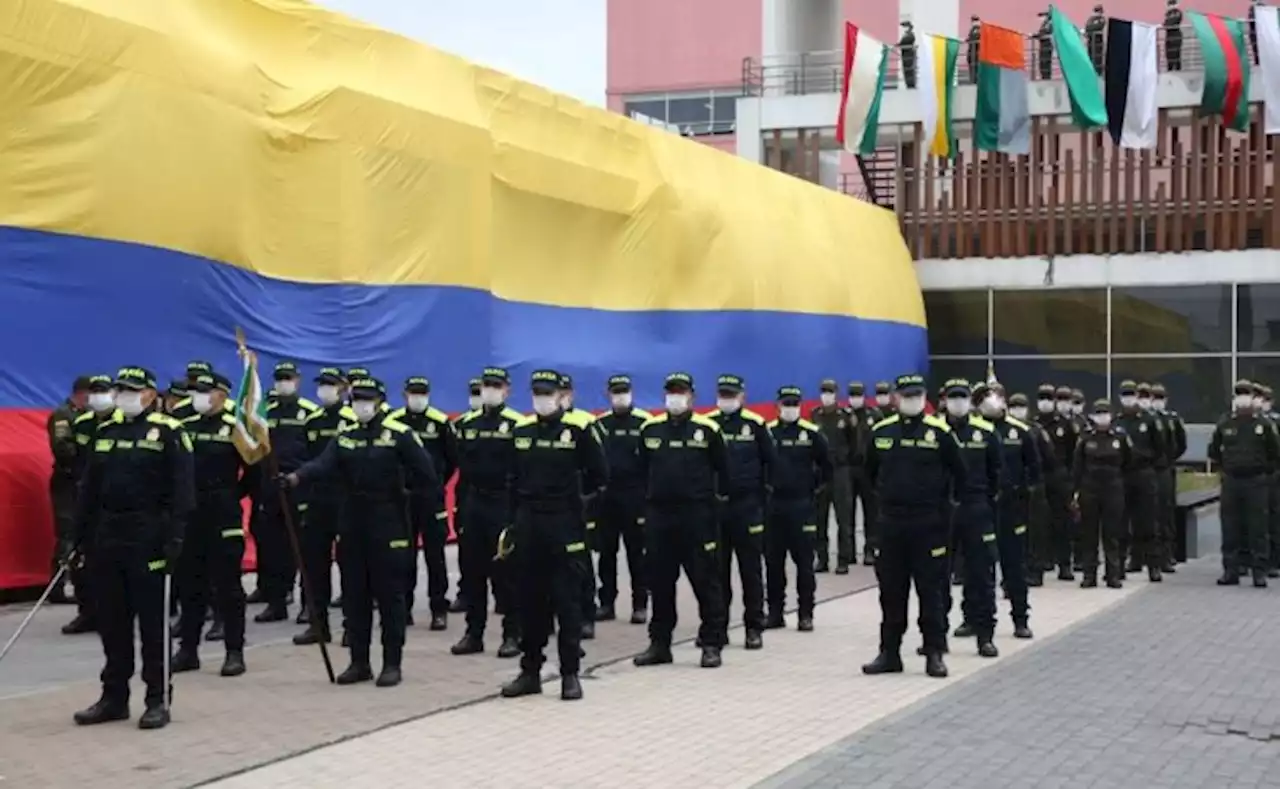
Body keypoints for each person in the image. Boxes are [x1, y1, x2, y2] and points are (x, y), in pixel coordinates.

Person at [282, 376, 438, 686]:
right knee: (355, 596)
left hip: (388, 522)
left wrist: (406, 497)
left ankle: (392, 662)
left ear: (379, 403)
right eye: (356, 401)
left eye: (366, 401)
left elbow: (428, 475)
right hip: (353, 522)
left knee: (390, 596)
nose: (360, 406)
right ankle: (359, 661)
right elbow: (323, 464)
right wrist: (295, 478)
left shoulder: (399, 435)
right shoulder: (346, 436)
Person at [72, 366, 194, 730]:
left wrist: (175, 537)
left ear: (149, 393)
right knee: (113, 622)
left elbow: (182, 491)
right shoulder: (105, 431)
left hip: (149, 535)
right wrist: (75, 537)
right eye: (120, 389)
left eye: (132, 390)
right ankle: (113, 697)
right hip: (108, 536)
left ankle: (157, 698)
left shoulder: (170, 432)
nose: (124, 395)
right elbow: (88, 492)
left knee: (153, 624)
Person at [499, 370, 608, 701]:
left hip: (565, 526)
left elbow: (600, 477)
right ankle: (530, 671)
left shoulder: (578, 432)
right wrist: (514, 523)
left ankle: (570, 674)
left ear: (562, 396)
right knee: (530, 603)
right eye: (537, 394)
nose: (542, 399)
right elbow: (511, 480)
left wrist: (578, 509)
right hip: (530, 525)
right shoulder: (521, 433)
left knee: (567, 603)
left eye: (548, 393)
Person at [862, 374, 966, 679]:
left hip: (928, 524)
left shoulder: (940, 433)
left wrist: (945, 513)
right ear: (896, 397)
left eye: (917, 395)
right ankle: (889, 653)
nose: (912, 401)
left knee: (930, 592)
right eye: (907, 395)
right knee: (891, 592)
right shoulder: (881, 432)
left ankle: (934, 653)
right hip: (892, 524)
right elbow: (868, 475)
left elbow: (960, 474)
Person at [633, 373, 729, 669]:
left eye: (681, 392)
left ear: (691, 396)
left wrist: (715, 513)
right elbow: (641, 473)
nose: (675, 397)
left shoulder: (708, 430)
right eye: (671, 392)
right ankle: (660, 644)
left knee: (706, 582)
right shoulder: (650, 430)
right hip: (660, 517)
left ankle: (712, 642)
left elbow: (723, 474)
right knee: (660, 584)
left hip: (696, 516)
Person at [172, 373, 252, 678]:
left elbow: (254, 470)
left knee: (228, 586)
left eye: (206, 392)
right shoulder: (185, 426)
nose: (200, 396)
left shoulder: (236, 428)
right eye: (197, 391)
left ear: (222, 395)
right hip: (192, 514)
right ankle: (188, 650)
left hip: (223, 513)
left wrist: (232, 494)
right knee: (190, 585)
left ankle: (234, 651)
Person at [451, 368, 523, 659]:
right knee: (472, 573)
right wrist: (459, 510)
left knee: (507, 574)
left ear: (507, 390)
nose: (490, 391)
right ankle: (473, 633)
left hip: (503, 505)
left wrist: (517, 515)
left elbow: (523, 472)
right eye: (486, 386)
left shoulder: (518, 424)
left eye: (496, 386)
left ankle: (512, 634)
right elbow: (459, 471)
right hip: (474, 504)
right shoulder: (466, 424)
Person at [708, 374, 774, 649]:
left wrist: (762, 502)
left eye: (731, 395)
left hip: (747, 507)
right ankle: (718, 628)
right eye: (723, 394)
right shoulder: (709, 424)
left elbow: (771, 464)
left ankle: (754, 627)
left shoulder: (756, 425)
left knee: (750, 571)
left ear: (742, 396)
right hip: (717, 509)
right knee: (716, 573)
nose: (726, 400)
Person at [251, 362, 319, 623]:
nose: (283, 383)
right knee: (272, 547)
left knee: (304, 550)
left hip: (299, 486)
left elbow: (315, 453)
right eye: (279, 378)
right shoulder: (266, 412)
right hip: (271, 486)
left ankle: (307, 604)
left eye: (288, 378)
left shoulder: (309, 413)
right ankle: (276, 601)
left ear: (298, 381)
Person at [290, 367, 353, 645]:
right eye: (322, 385)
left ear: (342, 388)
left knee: (351, 566)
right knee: (315, 566)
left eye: (331, 385)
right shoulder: (312, 421)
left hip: (346, 500)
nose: (325, 390)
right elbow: (304, 459)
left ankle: (353, 625)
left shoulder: (352, 420)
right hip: (317, 500)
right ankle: (318, 623)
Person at [939, 380, 1001, 658]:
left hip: (976, 509)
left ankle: (985, 635)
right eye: (953, 398)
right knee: (937, 576)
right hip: (941, 512)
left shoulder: (986, 433)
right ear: (944, 401)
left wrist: (985, 503)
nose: (957, 403)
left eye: (962, 397)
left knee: (981, 575)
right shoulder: (935, 432)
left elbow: (997, 475)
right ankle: (936, 636)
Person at [390, 376, 458, 631]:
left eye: (422, 393)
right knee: (402, 556)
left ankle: (438, 608)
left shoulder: (440, 423)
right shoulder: (394, 423)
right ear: (404, 394)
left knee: (435, 556)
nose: (417, 398)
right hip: (402, 498)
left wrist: (436, 482)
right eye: (413, 393)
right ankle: (403, 608)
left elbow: (453, 460)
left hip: (431, 498)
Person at [974, 381, 1039, 639]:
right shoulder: (974, 431)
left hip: (1011, 509)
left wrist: (1023, 498)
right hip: (982, 507)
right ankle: (976, 619)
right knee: (978, 569)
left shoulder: (1021, 432)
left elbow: (1035, 470)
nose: (991, 401)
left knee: (1014, 567)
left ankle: (1020, 619)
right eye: (984, 398)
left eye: (995, 396)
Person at [764, 386, 832, 631]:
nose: (790, 408)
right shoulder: (768, 433)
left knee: (804, 563)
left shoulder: (812, 434)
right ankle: (774, 612)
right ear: (778, 405)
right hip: (774, 507)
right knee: (773, 563)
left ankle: (806, 613)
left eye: (794, 403)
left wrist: (814, 493)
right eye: (786, 403)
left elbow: (827, 468)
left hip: (802, 506)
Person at [1209, 380, 1279, 588]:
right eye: (1238, 394)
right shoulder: (1225, 423)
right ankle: (1231, 570)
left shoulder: (1264, 425)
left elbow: (1275, 452)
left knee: (1258, 527)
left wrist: (1265, 473)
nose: (1242, 398)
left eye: (1246, 393)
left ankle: (1259, 571)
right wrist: (1224, 470)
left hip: (1256, 481)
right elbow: (1214, 451)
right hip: (1232, 480)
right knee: (1230, 526)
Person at [594, 374, 651, 624]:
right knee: (606, 553)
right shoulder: (600, 424)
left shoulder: (645, 423)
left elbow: (652, 464)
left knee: (637, 554)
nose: (620, 396)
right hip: (607, 498)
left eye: (624, 391)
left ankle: (640, 604)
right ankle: (606, 603)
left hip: (635, 497)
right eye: (615, 392)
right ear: (607, 395)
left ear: (632, 393)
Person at [62, 375, 117, 635]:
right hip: (85, 496)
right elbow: (74, 458)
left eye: (103, 391)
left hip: (115, 499)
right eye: (94, 392)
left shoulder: (121, 423)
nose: (97, 396)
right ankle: (87, 611)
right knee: (82, 554)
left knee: (112, 559)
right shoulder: (83, 424)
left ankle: (113, 611)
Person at [557, 373, 603, 639]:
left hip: (579, 505)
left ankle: (587, 613)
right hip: (549, 508)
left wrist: (589, 500)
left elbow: (597, 468)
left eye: (564, 392)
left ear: (571, 394)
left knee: (580, 562)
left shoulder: (585, 423)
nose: (558, 398)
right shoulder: (536, 425)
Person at [1073, 399, 1131, 588]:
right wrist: (1075, 492)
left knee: (1111, 534)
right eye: (1098, 413)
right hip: (1090, 490)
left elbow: (1128, 462)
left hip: (1113, 489)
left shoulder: (1119, 437)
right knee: (1089, 534)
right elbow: (1077, 466)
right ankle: (1089, 575)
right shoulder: (1085, 438)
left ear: (1111, 416)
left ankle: (1112, 574)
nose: (1102, 417)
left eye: (1105, 413)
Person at [1115, 380, 1165, 581]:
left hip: (1144, 474)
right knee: (1120, 522)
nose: (1128, 398)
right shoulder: (1117, 421)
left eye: (1131, 394)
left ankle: (1154, 565)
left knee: (1147, 522)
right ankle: (1121, 564)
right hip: (1122, 475)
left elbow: (1160, 447)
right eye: (1124, 394)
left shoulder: (1149, 420)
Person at [48, 376, 91, 605]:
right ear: (81, 393)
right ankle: (57, 587)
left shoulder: (89, 416)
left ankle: (82, 584)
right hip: (68, 480)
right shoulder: (64, 415)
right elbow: (63, 448)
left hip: (84, 481)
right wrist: (85, 452)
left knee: (83, 535)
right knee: (67, 533)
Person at [810, 379, 857, 573]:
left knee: (843, 518)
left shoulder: (845, 416)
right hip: (821, 472)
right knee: (819, 518)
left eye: (829, 391)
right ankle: (821, 558)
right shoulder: (815, 415)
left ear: (836, 393)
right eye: (823, 391)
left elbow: (854, 443)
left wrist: (845, 461)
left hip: (840, 472)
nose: (826, 395)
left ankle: (843, 559)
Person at [449, 376, 486, 616]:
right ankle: (466, 596)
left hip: (499, 497)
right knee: (469, 552)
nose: (479, 396)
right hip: (469, 494)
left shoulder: (511, 424)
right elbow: (452, 459)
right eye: (475, 392)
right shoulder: (463, 424)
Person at [1012, 392, 1055, 588]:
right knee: (1014, 533)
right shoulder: (1004, 429)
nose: (1017, 410)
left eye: (1020, 406)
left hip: (1034, 487)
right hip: (1012, 488)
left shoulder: (1035, 431)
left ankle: (1036, 570)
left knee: (1036, 531)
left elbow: (1049, 458)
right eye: (1014, 406)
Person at [1150, 382, 1187, 573]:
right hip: (1146, 471)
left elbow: (1180, 444)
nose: (1156, 401)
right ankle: (1142, 556)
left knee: (1165, 512)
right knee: (1145, 514)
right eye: (1153, 397)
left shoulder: (1172, 420)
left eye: (1159, 397)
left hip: (1164, 470)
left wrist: (1168, 459)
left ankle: (1167, 555)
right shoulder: (1145, 419)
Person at [847, 381, 882, 565]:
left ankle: (870, 549)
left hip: (868, 468)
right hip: (848, 468)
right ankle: (849, 551)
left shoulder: (874, 415)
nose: (855, 398)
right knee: (847, 512)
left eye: (858, 394)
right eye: (852, 394)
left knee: (871, 511)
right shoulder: (844, 415)